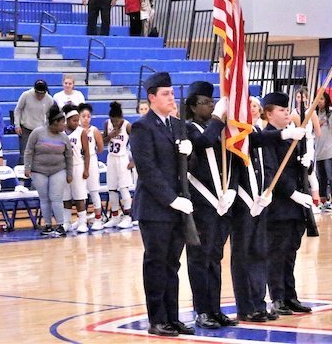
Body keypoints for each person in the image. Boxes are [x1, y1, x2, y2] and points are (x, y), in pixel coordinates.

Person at [129, 72, 195, 337]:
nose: (171, 98)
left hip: (178, 208)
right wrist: (172, 199)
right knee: (156, 264)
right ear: (152, 97)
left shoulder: (178, 125)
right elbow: (147, 169)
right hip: (155, 209)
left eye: (172, 93)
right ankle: (157, 319)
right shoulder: (143, 127)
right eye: (165, 94)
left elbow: (184, 167)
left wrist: (190, 155)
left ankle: (172, 317)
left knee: (172, 265)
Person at [184, 81, 238, 329]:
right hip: (200, 203)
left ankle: (215, 309)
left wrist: (231, 190)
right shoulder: (187, 128)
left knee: (215, 258)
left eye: (212, 102)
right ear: (193, 107)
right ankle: (202, 310)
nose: (210, 106)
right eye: (205, 103)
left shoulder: (219, 129)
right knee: (199, 259)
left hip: (220, 204)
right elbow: (204, 141)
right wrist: (218, 118)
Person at [261, 91, 313, 317]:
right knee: (277, 253)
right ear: (269, 113)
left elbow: (299, 168)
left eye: (287, 110)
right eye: (281, 110)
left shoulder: (292, 136)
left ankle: (290, 295)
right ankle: (278, 297)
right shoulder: (267, 137)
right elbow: (272, 172)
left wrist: (307, 162)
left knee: (290, 251)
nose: (286, 114)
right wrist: (292, 193)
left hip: (295, 206)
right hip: (279, 205)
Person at [24, 104, 73, 237]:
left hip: (58, 170)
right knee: (44, 198)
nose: (64, 125)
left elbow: (69, 156)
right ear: (55, 122)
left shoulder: (64, 137)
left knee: (56, 197)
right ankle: (48, 225)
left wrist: (69, 173)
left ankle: (61, 225)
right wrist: (27, 167)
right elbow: (29, 150)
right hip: (39, 170)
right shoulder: (37, 133)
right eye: (62, 122)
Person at [102, 101, 134, 229]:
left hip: (123, 159)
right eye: (112, 121)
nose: (114, 124)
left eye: (116, 121)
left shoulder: (127, 126)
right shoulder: (107, 123)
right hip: (111, 158)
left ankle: (128, 217)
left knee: (124, 188)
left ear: (121, 118)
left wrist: (133, 161)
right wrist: (110, 136)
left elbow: (137, 143)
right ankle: (114, 217)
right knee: (112, 189)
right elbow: (102, 142)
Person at [62, 104, 90, 234]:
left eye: (77, 120)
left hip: (78, 166)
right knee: (66, 197)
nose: (76, 123)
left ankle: (82, 222)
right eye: (74, 120)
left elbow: (87, 152)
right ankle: (67, 222)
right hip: (64, 167)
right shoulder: (61, 132)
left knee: (79, 196)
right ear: (67, 120)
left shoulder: (81, 132)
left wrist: (86, 169)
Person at [14, 80, 53, 165]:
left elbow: (51, 115)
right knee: (24, 153)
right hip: (26, 128)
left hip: (40, 130)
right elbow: (18, 110)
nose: (40, 97)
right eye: (38, 94)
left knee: (39, 153)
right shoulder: (26, 95)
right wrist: (17, 125)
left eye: (42, 94)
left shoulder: (49, 99)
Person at [79, 103, 105, 230]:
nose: (86, 119)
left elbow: (100, 148)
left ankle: (98, 219)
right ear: (79, 116)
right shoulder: (76, 130)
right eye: (83, 116)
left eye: (88, 116)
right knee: (80, 193)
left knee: (94, 191)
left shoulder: (94, 130)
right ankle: (81, 220)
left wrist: (90, 153)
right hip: (79, 161)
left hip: (92, 161)